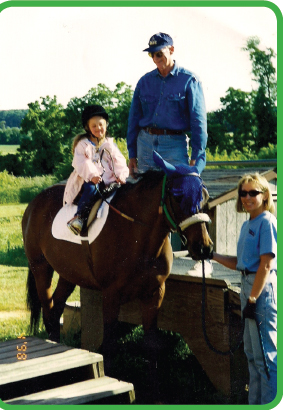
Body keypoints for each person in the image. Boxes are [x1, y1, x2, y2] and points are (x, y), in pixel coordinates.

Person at [126, 32, 212, 275]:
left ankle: (198, 257)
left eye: (160, 53)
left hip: (174, 145)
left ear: (171, 50)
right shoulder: (144, 81)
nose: (156, 59)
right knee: (143, 199)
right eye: (153, 55)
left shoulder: (189, 80)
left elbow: (198, 122)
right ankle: (141, 259)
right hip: (145, 144)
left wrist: (198, 156)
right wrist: (132, 151)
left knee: (187, 196)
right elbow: (133, 118)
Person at [212, 173, 277, 404]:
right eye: (243, 193)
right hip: (248, 286)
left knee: (266, 357)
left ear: (265, 195)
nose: (247, 197)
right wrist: (212, 255)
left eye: (253, 193)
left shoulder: (267, 221)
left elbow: (266, 264)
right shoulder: (247, 224)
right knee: (251, 354)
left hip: (261, 290)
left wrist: (251, 299)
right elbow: (240, 262)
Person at [64, 105, 129, 235]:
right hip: (91, 179)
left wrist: (121, 175)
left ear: (106, 124)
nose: (98, 128)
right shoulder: (83, 145)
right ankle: (80, 218)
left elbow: (119, 161)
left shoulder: (110, 145)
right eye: (94, 126)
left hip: (110, 180)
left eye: (101, 124)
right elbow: (82, 163)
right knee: (91, 189)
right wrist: (93, 175)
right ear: (88, 128)